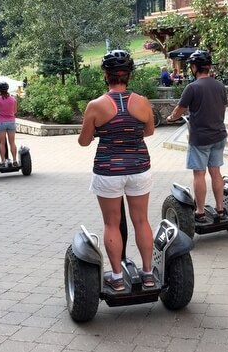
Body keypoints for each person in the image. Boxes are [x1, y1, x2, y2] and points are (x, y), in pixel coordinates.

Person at [78, 50, 155, 292]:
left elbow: (83, 141)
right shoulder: (142, 102)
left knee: (112, 224)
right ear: (129, 75)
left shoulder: (96, 106)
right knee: (141, 220)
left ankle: (118, 278)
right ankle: (148, 274)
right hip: (139, 168)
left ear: (106, 75)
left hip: (108, 170)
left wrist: (103, 132)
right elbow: (149, 131)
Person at [166, 50, 228, 224]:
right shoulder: (219, 86)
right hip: (219, 135)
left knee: (199, 174)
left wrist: (171, 118)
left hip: (200, 138)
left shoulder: (192, 87)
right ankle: (220, 209)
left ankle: (200, 212)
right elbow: (222, 110)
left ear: (194, 67)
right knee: (216, 172)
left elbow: (179, 111)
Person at [0, 82, 18, 167]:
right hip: (11, 122)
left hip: (1, 122)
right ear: (7, 89)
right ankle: (14, 160)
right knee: (12, 142)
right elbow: (15, 111)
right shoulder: (13, 99)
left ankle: (2, 161)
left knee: (2, 143)